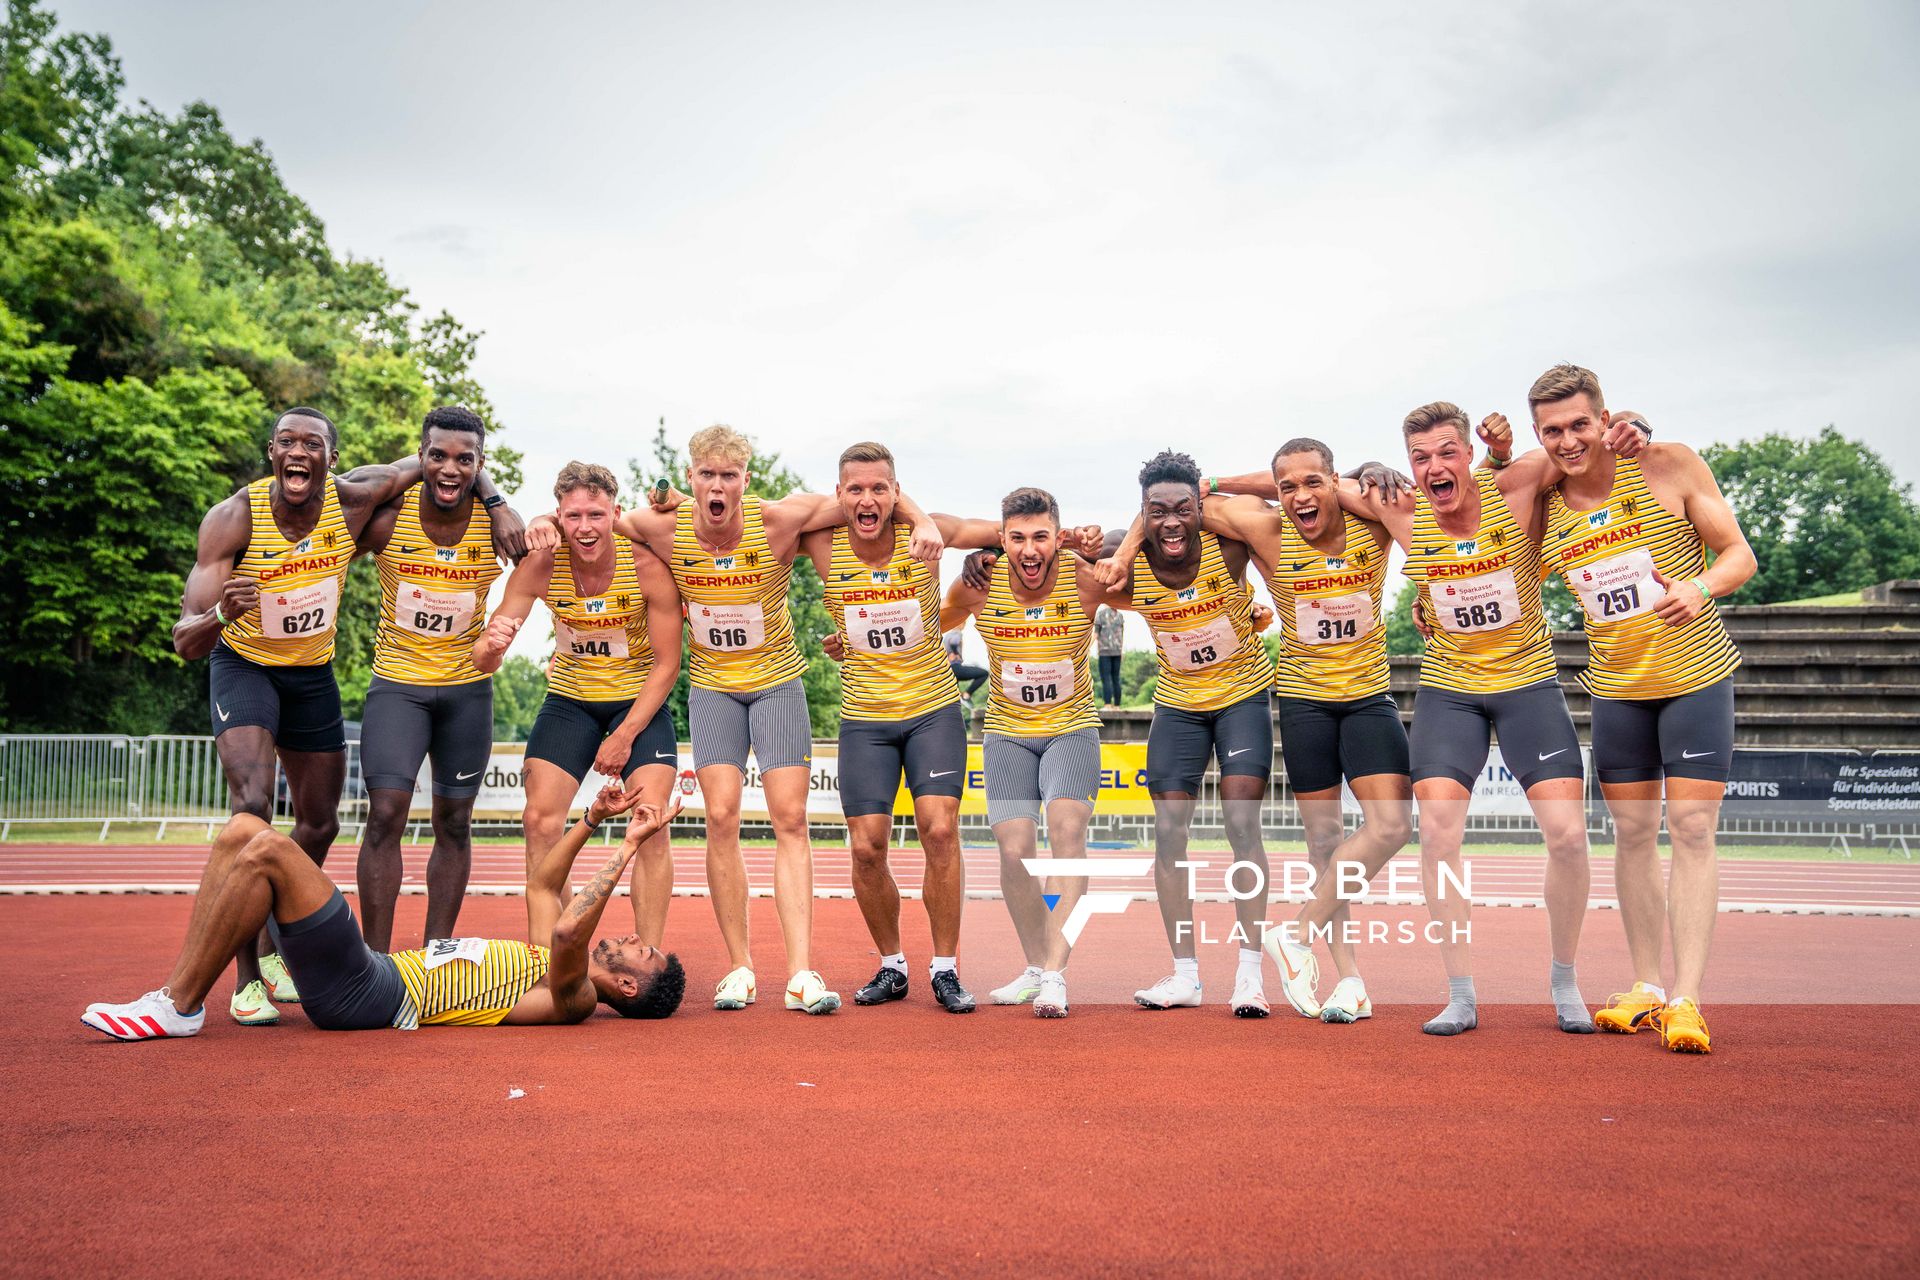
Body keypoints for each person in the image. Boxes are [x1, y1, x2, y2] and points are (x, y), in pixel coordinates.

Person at [1261, 403, 1643, 1035]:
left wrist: (1633, 425)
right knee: (1437, 836)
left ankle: (1564, 979)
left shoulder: (1516, 486)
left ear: (1467, 455)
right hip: (1450, 690)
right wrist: (1218, 486)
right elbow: (1307, 485)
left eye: (1445, 453)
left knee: (1569, 838)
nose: (1434, 467)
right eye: (1419, 458)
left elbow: (1586, 446)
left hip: (1526, 683)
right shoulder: (1399, 508)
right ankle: (1461, 994)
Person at [172, 406, 525, 1024]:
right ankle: (247, 977)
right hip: (245, 664)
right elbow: (184, 641)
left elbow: (430, 466)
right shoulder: (233, 518)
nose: (299, 453)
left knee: (319, 824)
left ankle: (276, 940)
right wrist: (221, 616)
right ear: (272, 452)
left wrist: (494, 499)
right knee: (253, 804)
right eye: (287, 442)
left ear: (332, 460)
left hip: (312, 673)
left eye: (313, 444)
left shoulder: (355, 502)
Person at [608, 425, 942, 1014]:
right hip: (713, 688)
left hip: (779, 685)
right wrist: (540, 523)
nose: (718, 486)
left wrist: (923, 520)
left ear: (745, 480)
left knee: (790, 819)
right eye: (706, 475)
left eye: (729, 476)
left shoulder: (780, 520)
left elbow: (868, 498)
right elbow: (595, 517)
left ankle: (801, 973)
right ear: (691, 478)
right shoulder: (663, 525)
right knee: (720, 816)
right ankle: (739, 968)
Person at [1493, 366, 1755, 1053]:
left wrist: (1699, 586)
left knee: (1693, 828)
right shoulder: (1547, 505)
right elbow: (1492, 524)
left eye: (1580, 424)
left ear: (1606, 418)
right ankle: (1646, 987)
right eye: (1553, 430)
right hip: (1616, 691)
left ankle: (1688, 1000)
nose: (1569, 440)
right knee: (1634, 839)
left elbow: (1739, 554)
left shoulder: (1667, 464)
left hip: (1694, 676)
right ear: (1538, 436)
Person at [82, 781, 686, 1039]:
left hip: (374, 994)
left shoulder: (574, 998)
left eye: (643, 950)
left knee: (267, 847)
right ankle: (176, 997)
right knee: (243, 828)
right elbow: (542, 886)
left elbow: (566, 928)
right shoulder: (542, 966)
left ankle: (179, 1006)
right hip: (371, 974)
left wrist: (631, 849)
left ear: (629, 987)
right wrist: (592, 822)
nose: (636, 937)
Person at [1191, 439, 1413, 1023]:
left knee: (1390, 826)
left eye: (1313, 483)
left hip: (1368, 698)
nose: (1299, 496)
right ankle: (1351, 982)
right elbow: (1190, 500)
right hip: (1304, 702)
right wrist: (1222, 481)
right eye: (1286, 487)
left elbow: (1400, 498)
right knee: (1324, 846)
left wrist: (1366, 476)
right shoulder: (1269, 533)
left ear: (1336, 482)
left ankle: (1295, 933)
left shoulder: (1373, 522)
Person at [806, 443, 1000, 1012]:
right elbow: (752, 519)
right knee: (867, 848)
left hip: (931, 709)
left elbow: (1000, 530)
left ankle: (945, 968)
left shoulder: (928, 534)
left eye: (880, 488)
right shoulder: (821, 541)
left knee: (938, 831)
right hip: (865, 717)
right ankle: (892, 966)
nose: (868, 500)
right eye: (856, 490)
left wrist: (1065, 540)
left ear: (896, 492)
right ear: (839, 495)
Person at [1092, 451, 1277, 1017]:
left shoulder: (1229, 545)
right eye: (1157, 512)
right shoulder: (1130, 566)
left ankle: (1250, 975)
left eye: (1183, 509)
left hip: (1241, 695)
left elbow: (1278, 498)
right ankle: (1186, 975)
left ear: (1201, 508)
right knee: (1170, 835)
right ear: (1142, 515)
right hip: (1178, 705)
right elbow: (1055, 562)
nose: (1171, 522)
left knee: (1242, 824)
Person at [474, 462, 682, 952]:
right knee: (539, 822)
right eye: (573, 517)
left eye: (595, 514)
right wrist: (491, 644)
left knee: (650, 822)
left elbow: (668, 666)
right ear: (560, 517)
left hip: (637, 704)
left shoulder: (647, 566)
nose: (585, 527)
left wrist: (626, 734)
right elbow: (487, 657)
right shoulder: (542, 562)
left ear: (615, 511)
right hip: (570, 701)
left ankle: (644, 956)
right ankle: (552, 954)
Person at [941, 488, 1108, 1018]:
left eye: (1040, 537)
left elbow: (1150, 588)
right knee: (1013, 851)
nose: (1029, 550)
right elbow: (931, 622)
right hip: (1006, 733)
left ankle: (1057, 973)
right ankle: (1036, 966)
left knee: (1066, 832)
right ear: (1002, 538)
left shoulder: (1082, 579)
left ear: (1058, 537)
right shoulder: (979, 586)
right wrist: (852, 641)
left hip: (1071, 728)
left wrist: (1242, 614)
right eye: (1017, 538)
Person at [353, 406, 508, 952]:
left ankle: (435, 954)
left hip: (467, 692)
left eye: (465, 460)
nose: (449, 469)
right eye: (437, 456)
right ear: (419, 458)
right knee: (386, 815)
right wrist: (493, 490)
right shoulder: (387, 519)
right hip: (398, 686)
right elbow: (334, 515)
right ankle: (374, 961)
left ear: (479, 463)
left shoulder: (497, 527)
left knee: (455, 822)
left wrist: (501, 504)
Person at [945, 628, 990, 713]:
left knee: (954, 702)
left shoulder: (947, 636)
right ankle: (966, 695)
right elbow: (954, 643)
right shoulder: (957, 633)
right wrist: (956, 654)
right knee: (983, 674)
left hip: (947, 671)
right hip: (955, 667)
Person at [1094, 604, 1125, 706]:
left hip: (1104, 651)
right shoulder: (1120, 615)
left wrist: (1087, 647)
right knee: (1116, 679)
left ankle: (1107, 704)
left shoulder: (1100, 614)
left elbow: (1096, 634)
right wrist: (1121, 651)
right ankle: (1117, 705)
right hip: (1117, 651)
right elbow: (1121, 635)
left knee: (1106, 679)